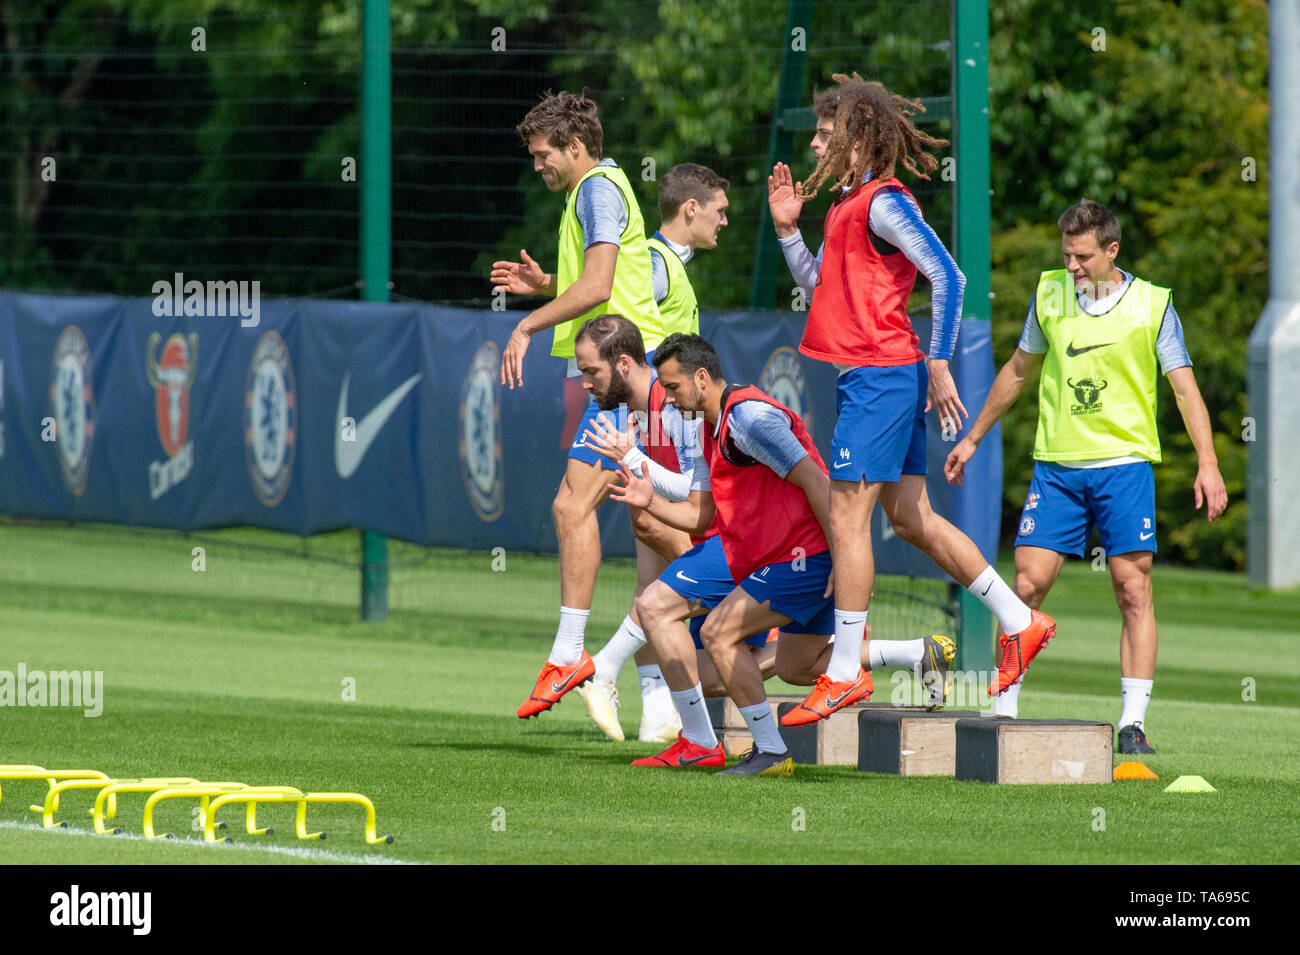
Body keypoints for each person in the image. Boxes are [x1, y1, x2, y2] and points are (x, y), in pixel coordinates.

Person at [766, 73, 1053, 725]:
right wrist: (789, 233)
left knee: (847, 516)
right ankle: (1019, 619)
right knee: (909, 518)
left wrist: (940, 358)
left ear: (860, 135)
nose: (813, 145)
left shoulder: (883, 203)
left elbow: (948, 276)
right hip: (874, 376)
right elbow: (824, 291)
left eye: (824, 132)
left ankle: (843, 672)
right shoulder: (846, 205)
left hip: (882, 377)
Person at [578, 320, 954, 740]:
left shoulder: (751, 419)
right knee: (788, 668)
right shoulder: (706, 424)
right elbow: (701, 516)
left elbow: (817, 482)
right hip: (763, 554)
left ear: (701, 378)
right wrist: (650, 500)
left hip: (800, 557)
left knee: (681, 618)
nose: (666, 399)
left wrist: (841, 557)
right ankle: (914, 653)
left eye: (672, 388)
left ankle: (750, 748)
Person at [944, 199, 1227, 753]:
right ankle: (1005, 710)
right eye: (1066, 255)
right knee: (1025, 585)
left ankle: (1133, 723)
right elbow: (1019, 370)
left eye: (1082, 257)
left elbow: (1185, 389)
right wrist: (974, 437)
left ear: (1111, 251)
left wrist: (1209, 462)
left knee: (1131, 590)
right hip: (1058, 467)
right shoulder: (1049, 293)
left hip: (1124, 467)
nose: (1072, 266)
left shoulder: (1152, 305)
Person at [489, 92, 670, 720]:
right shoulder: (588, 193)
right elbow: (601, 286)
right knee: (659, 531)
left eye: (543, 155)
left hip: (627, 376)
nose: (537, 166)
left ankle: (573, 656)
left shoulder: (595, 189)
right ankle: (672, 693)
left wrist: (526, 325)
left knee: (577, 507)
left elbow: (598, 288)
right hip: (629, 378)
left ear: (575, 146)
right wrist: (545, 286)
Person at [574, 163, 731, 742]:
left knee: (653, 575)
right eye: (718, 210)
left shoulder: (666, 264)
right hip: (662, 419)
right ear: (690, 208)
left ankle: (656, 710)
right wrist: (646, 426)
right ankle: (616, 674)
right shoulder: (659, 263)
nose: (723, 222)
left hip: (659, 418)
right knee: (685, 560)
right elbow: (613, 319)